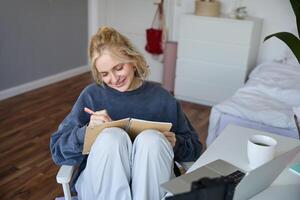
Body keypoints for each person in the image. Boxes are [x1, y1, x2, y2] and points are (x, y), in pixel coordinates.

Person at [50, 26, 202, 200]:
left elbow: (195, 148)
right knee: (111, 137)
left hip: (152, 186)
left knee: (151, 139)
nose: (114, 79)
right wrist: (86, 132)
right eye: (105, 74)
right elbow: (58, 151)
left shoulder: (162, 97)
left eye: (119, 68)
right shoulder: (92, 95)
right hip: (100, 186)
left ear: (132, 59)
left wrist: (176, 143)